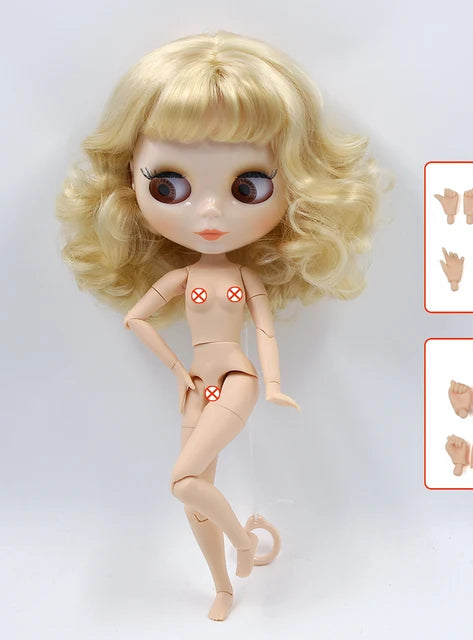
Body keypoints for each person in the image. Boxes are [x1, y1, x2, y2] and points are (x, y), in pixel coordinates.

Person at [57, 32, 378, 621]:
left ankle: (244, 545)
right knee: (194, 500)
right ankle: (223, 587)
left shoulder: (243, 279)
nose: (209, 212)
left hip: (234, 379)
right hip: (196, 386)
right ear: (128, 182)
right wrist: (176, 368)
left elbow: (265, 332)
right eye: (169, 186)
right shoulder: (182, 278)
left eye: (247, 187)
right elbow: (134, 317)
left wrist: (273, 384)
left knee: (183, 480)